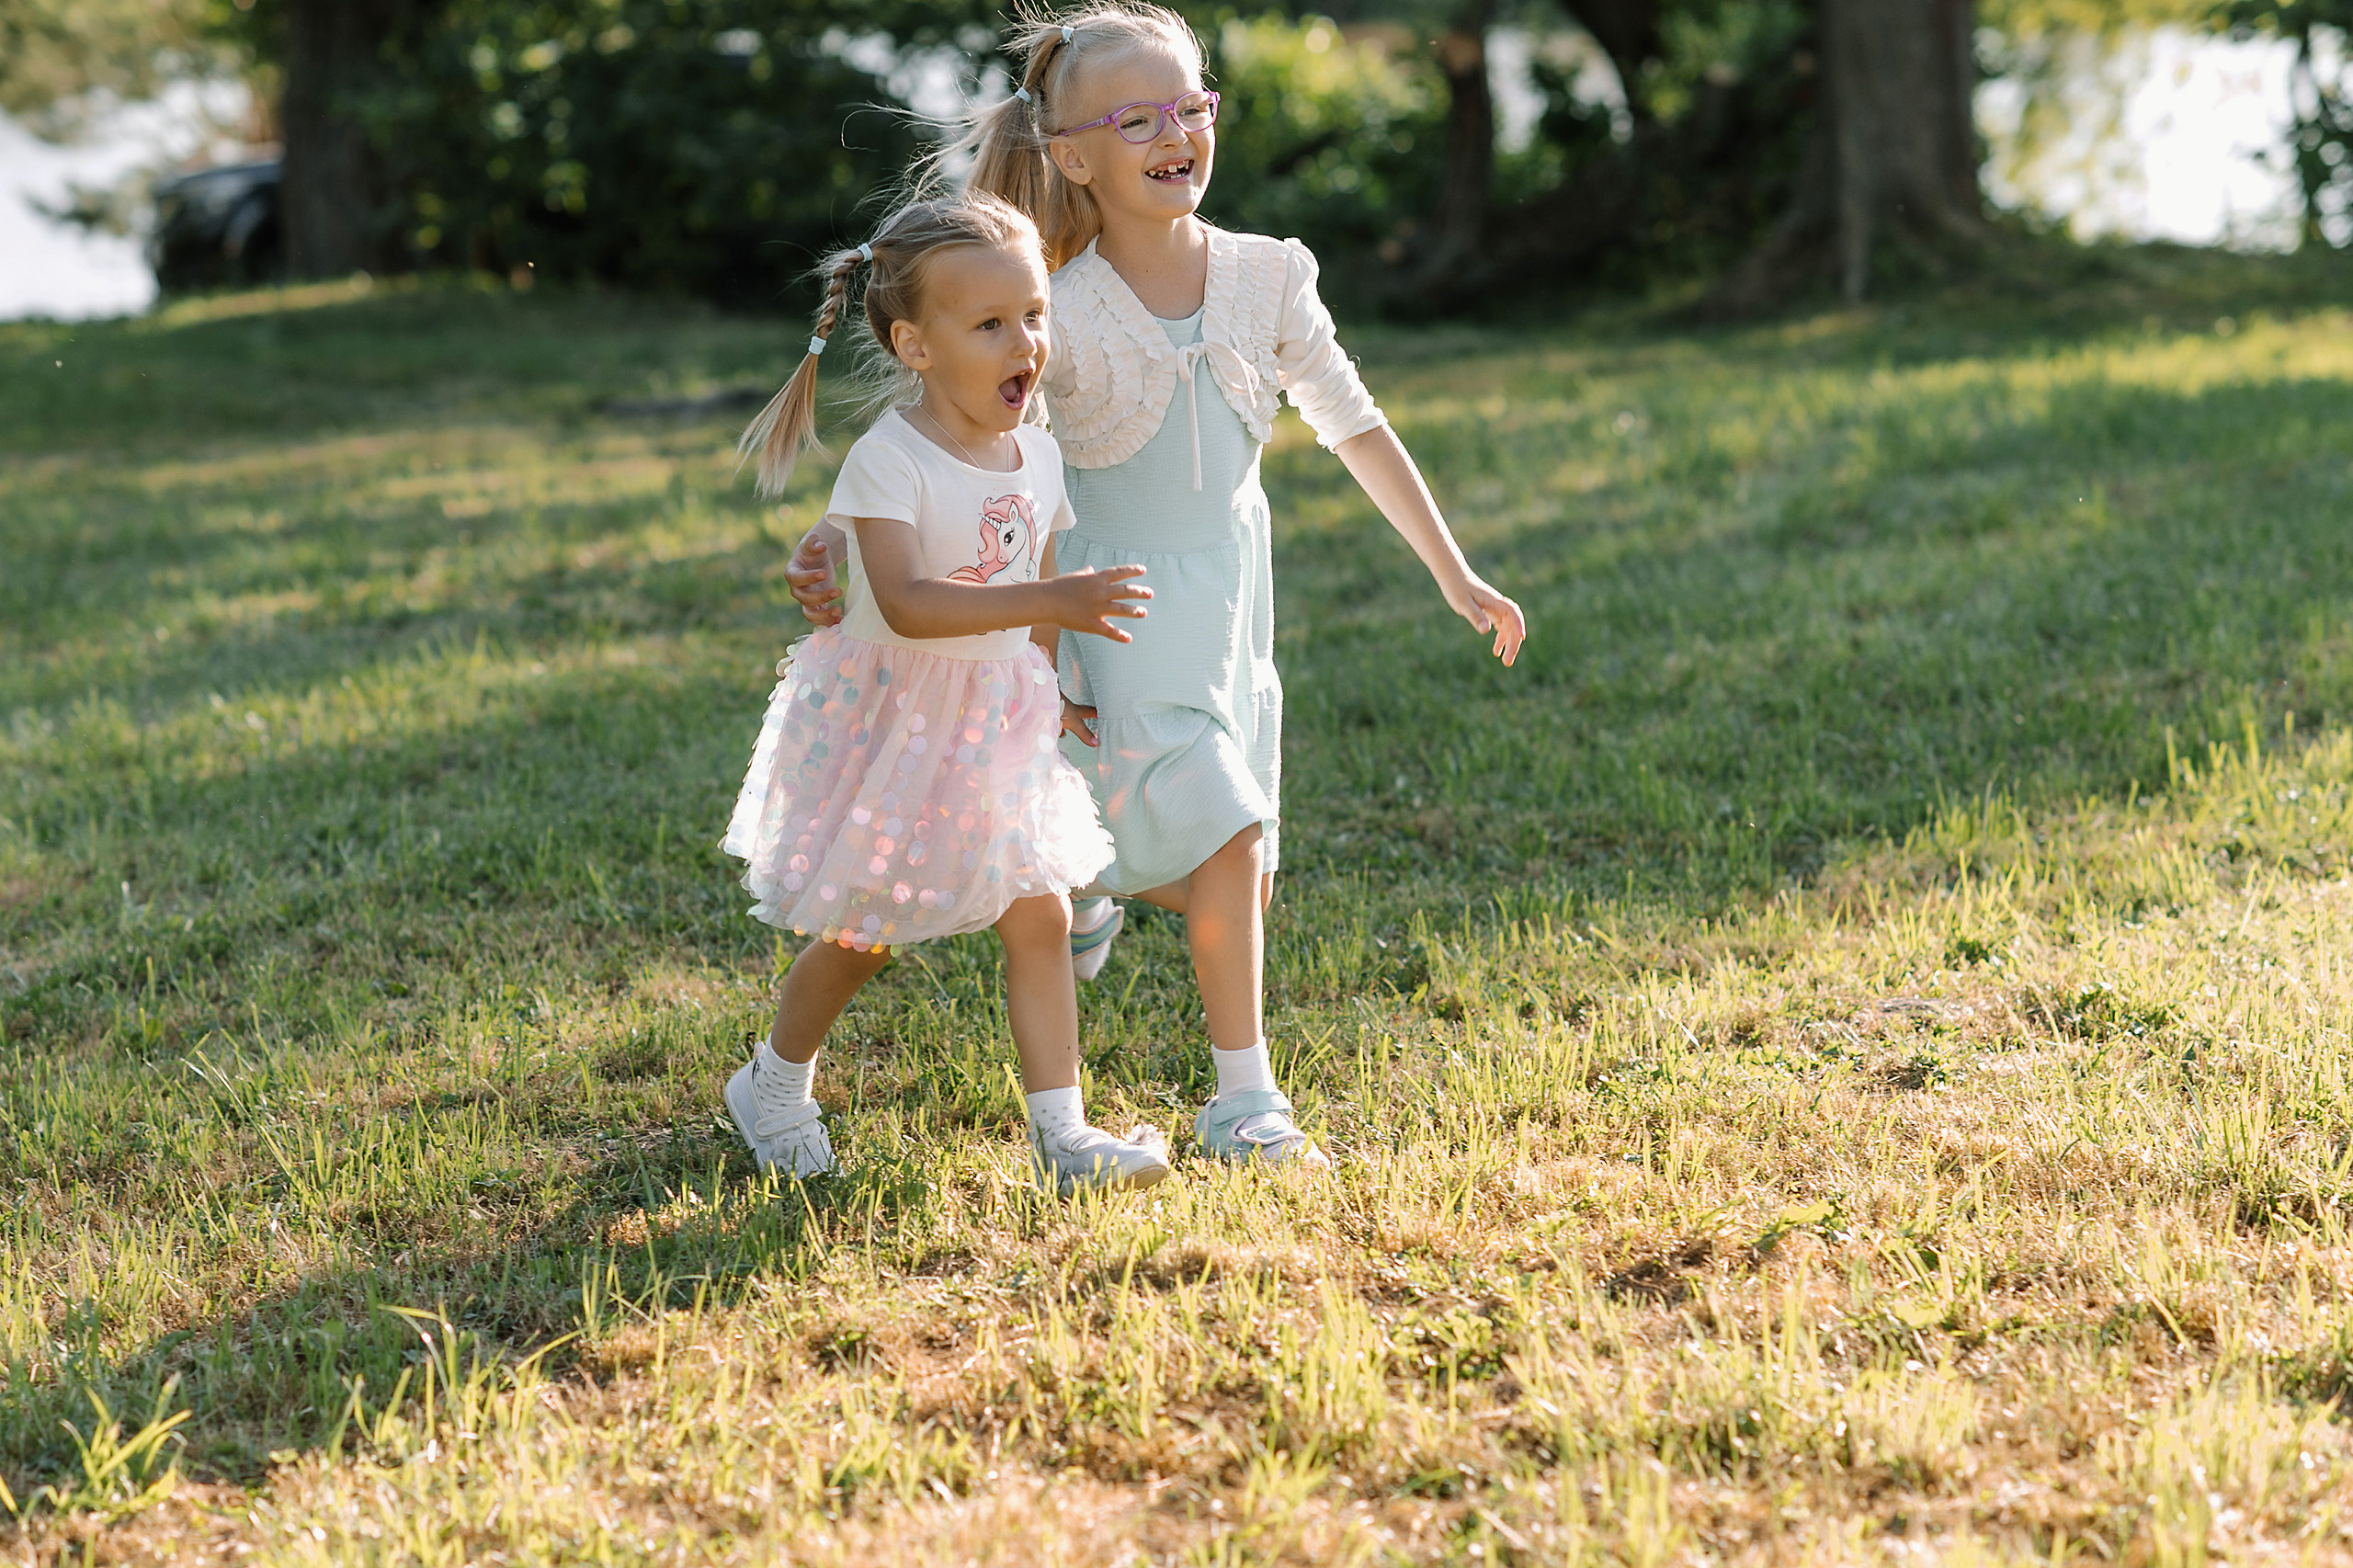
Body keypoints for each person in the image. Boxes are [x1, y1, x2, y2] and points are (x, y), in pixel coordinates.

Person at [787, 3, 1527, 1168]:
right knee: (1223, 830)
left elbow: (1356, 423)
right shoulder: (1055, 308)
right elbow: (968, 454)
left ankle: (1093, 894)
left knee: (1238, 866)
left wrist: (1455, 571)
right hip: (1102, 613)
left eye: (1192, 105)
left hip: (1227, 611)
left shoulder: (1268, 276)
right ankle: (1245, 1101)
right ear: (1071, 155)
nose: (1174, 131)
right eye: (1137, 117)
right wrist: (860, 555)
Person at [721, 192, 1169, 1195]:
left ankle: (1064, 1134)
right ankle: (774, 1085)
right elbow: (913, 604)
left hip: (998, 720)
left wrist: (1055, 692)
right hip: (903, 726)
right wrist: (1052, 593)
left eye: (1035, 316)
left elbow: (1035, 613)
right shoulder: (891, 457)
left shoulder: (1039, 452)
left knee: (1039, 909)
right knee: (868, 926)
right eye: (992, 325)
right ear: (915, 346)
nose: (1027, 344)